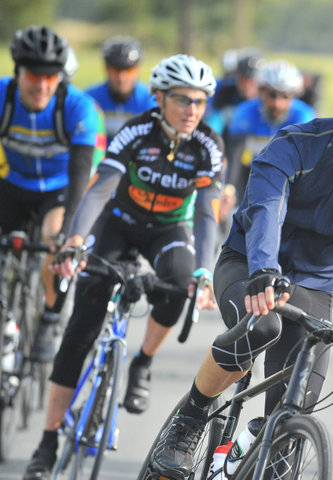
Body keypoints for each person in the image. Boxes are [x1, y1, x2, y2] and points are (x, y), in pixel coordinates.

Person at [147, 48, 333, 479]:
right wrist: (264, 270)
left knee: (292, 419)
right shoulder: (298, 145)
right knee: (262, 327)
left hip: (315, 290)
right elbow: (266, 210)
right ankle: (190, 419)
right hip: (250, 265)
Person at [22, 53, 223, 480]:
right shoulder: (135, 131)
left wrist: (205, 272)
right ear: (158, 98)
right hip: (118, 225)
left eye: (200, 102)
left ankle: (143, 361)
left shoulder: (208, 144)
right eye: (182, 100)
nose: (192, 110)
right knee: (80, 330)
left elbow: (206, 213)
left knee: (178, 288)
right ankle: (47, 440)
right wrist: (75, 241)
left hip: (169, 229)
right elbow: (99, 190)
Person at [0, 25, 103, 363]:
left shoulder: (77, 107)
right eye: (34, 75)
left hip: (58, 189)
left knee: (53, 237)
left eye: (51, 76)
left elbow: (80, 174)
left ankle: (47, 317)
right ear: (18, 72)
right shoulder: (3, 96)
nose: (42, 84)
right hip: (13, 183)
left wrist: (66, 233)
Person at [220, 59, 316, 235]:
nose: (277, 103)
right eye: (271, 95)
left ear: (294, 96)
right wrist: (229, 189)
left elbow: (310, 163)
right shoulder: (245, 111)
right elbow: (234, 154)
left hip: (288, 176)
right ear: (261, 91)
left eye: (285, 96)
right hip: (250, 171)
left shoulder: (304, 115)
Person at [85, 35, 157, 144]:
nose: (121, 78)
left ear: (138, 69)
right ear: (106, 68)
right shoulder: (89, 99)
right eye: (116, 70)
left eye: (128, 70)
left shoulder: (151, 100)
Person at [204, 47, 265, 138]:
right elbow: (214, 123)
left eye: (252, 80)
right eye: (243, 79)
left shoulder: (269, 97)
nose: (247, 85)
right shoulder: (225, 92)